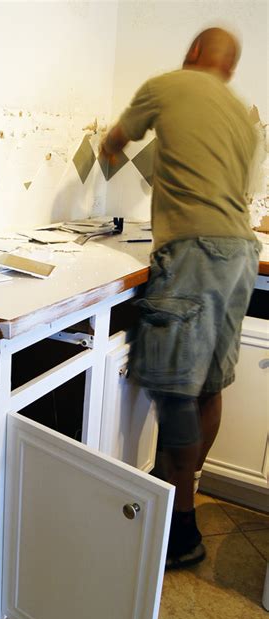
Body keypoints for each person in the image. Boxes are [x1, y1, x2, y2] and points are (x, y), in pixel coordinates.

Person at [100, 27, 261, 569]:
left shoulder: (167, 85)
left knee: (173, 390)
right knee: (209, 384)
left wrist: (107, 162)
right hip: (241, 255)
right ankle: (179, 492)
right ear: (230, 68)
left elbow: (113, 142)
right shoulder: (244, 115)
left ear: (193, 54)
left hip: (193, 253)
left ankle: (180, 526)